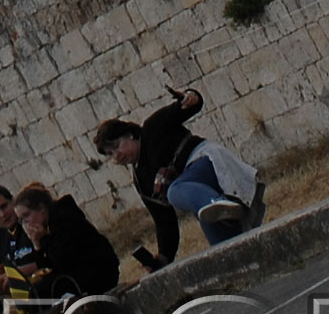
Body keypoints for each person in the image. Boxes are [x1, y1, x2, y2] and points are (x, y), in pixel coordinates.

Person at [94, 90, 263, 266]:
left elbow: (189, 106)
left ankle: (216, 204)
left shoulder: (152, 128)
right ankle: (219, 211)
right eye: (110, 153)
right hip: (203, 203)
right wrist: (162, 258)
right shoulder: (141, 181)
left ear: (129, 134)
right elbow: (164, 221)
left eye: (116, 146)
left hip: (209, 163)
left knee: (174, 191)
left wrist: (191, 97)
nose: (116, 155)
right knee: (229, 255)